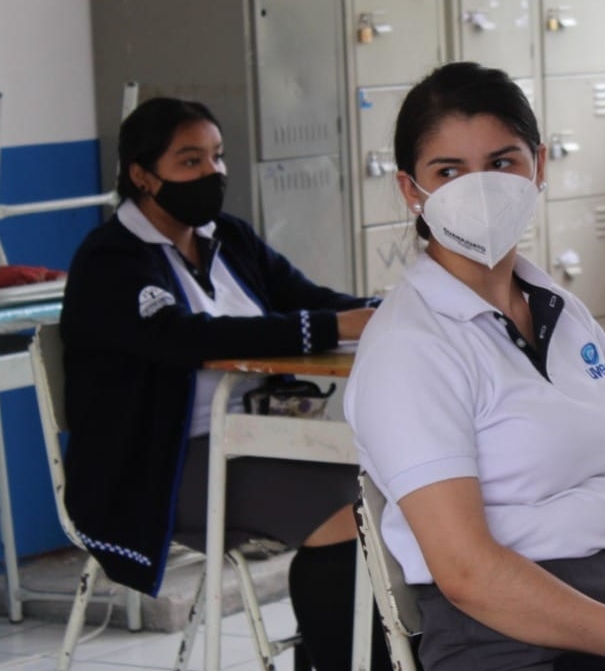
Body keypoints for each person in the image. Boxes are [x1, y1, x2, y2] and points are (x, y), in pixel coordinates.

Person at [344, 61, 605, 671]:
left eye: (502, 162)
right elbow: (467, 572)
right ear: (411, 191)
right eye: (449, 171)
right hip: (511, 641)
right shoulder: (409, 346)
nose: (481, 188)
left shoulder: (564, 314)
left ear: (538, 167)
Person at [60, 97, 388, 670]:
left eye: (217, 157)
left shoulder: (226, 237)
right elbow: (181, 337)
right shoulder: (111, 258)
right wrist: (332, 326)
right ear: (142, 175)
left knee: (389, 489)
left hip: (252, 442)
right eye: (190, 161)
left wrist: (386, 312)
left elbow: (305, 300)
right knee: (345, 514)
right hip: (161, 465)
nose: (211, 173)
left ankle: (339, 654)